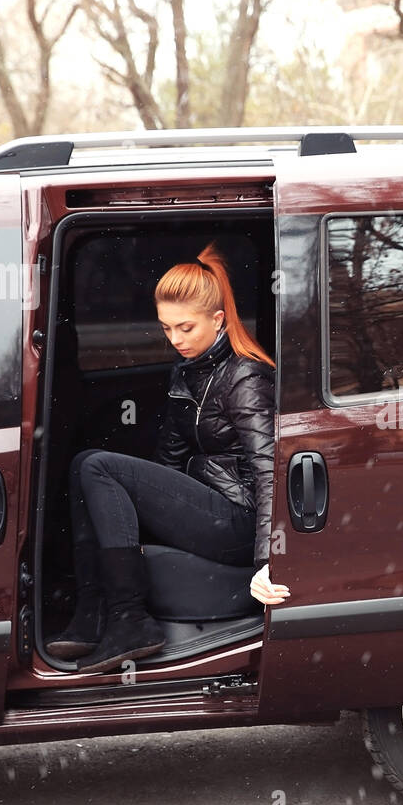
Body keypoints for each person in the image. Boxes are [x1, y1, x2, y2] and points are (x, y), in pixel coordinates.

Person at [46, 243, 291, 674]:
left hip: (237, 519)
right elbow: (169, 462)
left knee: (98, 464)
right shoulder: (186, 372)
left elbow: (270, 468)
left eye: (185, 327)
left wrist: (269, 559)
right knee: (86, 467)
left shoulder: (245, 376)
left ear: (218, 321)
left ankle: (129, 617)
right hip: (207, 504)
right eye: (166, 328)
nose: (175, 340)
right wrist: (133, 513)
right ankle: (94, 613)